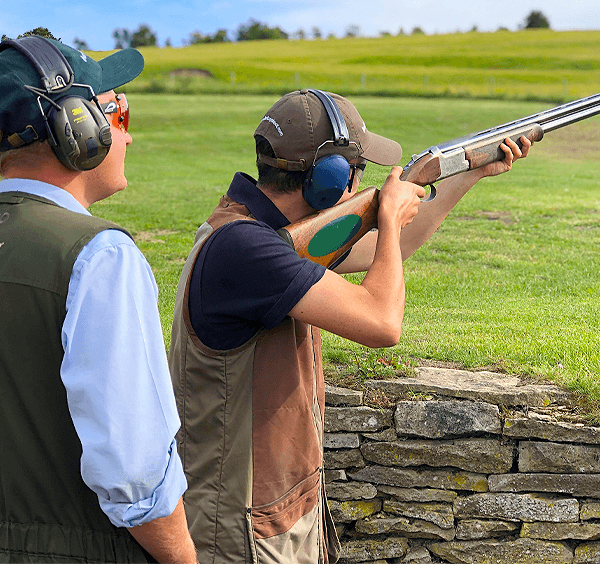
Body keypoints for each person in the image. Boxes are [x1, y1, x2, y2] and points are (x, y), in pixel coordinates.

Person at [168, 89, 531, 564]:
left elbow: (386, 251)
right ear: (329, 178)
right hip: (239, 528)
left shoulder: (266, 237)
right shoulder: (247, 249)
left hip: (269, 512)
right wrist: (386, 211)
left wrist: (467, 174)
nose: (359, 181)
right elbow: (382, 322)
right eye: (355, 170)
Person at [0, 36, 197, 563]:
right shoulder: (99, 256)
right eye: (116, 112)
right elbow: (135, 476)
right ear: (77, 128)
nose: (126, 138)